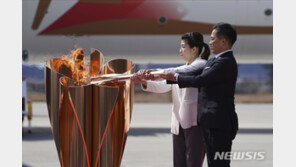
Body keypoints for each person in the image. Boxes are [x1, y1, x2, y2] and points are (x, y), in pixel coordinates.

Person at [162, 23, 239, 167]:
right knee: (213, 162)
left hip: (219, 123)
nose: (209, 42)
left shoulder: (225, 62)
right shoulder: (216, 61)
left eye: (212, 38)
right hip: (211, 122)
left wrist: (176, 77)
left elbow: (201, 80)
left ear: (223, 41)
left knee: (219, 163)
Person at [131, 32, 210, 167]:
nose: (180, 50)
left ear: (194, 49)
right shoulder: (182, 69)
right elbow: (162, 86)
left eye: (183, 47)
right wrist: (144, 82)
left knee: (193, 163)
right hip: (179, 123)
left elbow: (176, 72)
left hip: (194, 124)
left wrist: (153, 73)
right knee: (178, 163)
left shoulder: (201, 65)